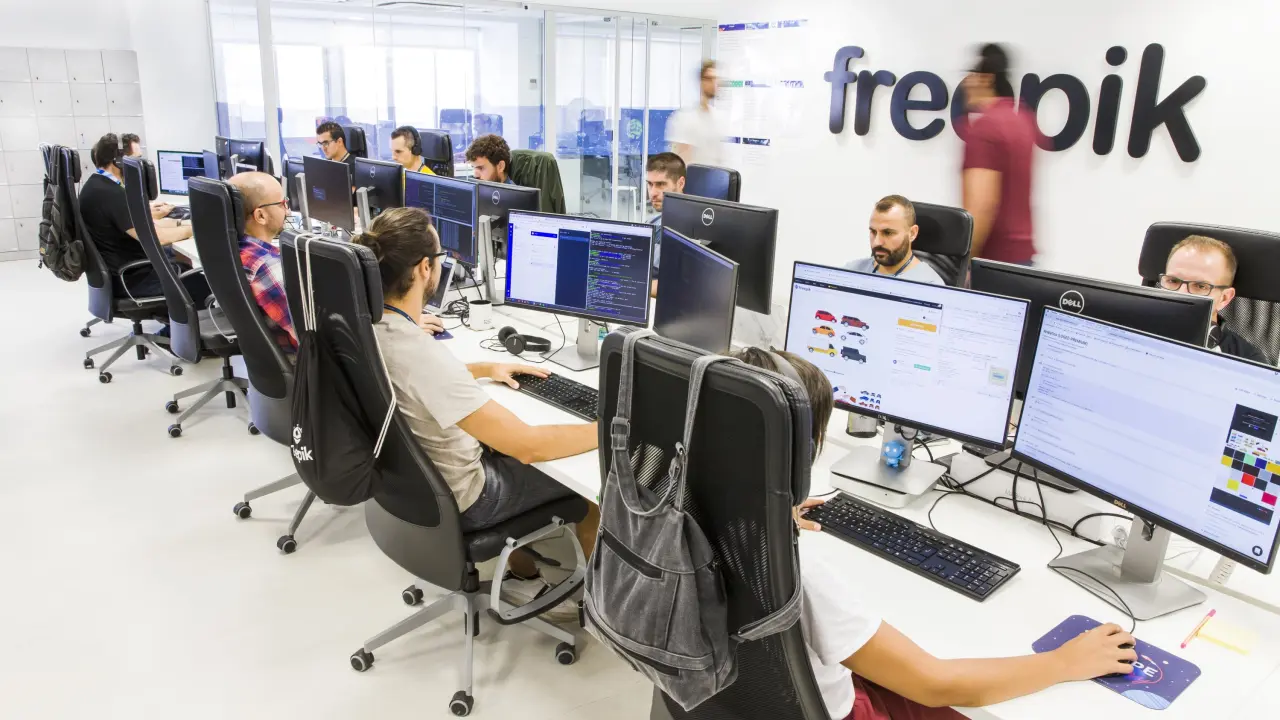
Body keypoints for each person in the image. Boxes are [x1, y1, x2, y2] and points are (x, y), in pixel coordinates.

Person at [730, 347, 1141, 720]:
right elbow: (933, 684)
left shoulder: (710, 528)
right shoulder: (797, 572)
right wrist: (1063, 662)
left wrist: (775, 512)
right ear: (804, 453)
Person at [354, 207, 601, 582]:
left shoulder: (369, 328)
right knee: (588, 489)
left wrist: (485, 368)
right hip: (470, 497)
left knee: (503, 444)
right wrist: (606, 429)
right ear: (424, 268)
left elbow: (417, 381)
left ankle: (522, 568)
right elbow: (528, 446)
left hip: (409, 488)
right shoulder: (420, 353)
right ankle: (587, 598)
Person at [78, 133, 209, 303]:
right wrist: (196, 228)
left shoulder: (98, 185)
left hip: (122, 273)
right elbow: (158, 237)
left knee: (181, 263)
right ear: (118, 162)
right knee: (201, 284)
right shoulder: (112, 194)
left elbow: (148, 225)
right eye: (137, 160)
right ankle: (180, 320)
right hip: (131, 281)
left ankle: (175, 318)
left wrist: (181, 223)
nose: (140, 166)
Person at [960, 43, 1039, 265]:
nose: (965, 83)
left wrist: (964, 263)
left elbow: (981, 206)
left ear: (986, 79)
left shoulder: (986, 127)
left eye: (970, 75)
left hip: (992, 260)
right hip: (1022, 259)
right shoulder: (1022, 120)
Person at [1159, 234, 1268, 363]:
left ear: (1224, 298)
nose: (1181, 294)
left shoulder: (1248, 361)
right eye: (1173, 281)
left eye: (1200, 286)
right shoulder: (1137, 327)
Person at [226, 172, 298, 355]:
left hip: (261, 353)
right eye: (282, 204)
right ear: (261, 216)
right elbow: (306, 337)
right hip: (296, 359)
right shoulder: (266, 266)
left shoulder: (231, 247)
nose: (288, 211)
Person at [848, 195, 943, 285]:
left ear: (912, 233)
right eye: (873, 232)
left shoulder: (930, 285)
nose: (877, 242)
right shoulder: (851, 272)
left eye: (888, 233)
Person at [668, 60, 726, 166]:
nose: (714, 83)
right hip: (694, 175)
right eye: (709, 79)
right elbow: (680, 160)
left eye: (716, 79)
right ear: (701, 82)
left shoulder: (719, 117)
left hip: (716, 174)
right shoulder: (685, 118)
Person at [645, 152, 686, 297]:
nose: (652, 193)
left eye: (661, 184)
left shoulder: (691, 232)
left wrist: (632, 286)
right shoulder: (653, 222)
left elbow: (681, 286)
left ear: (680, 183)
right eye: (650, 184)